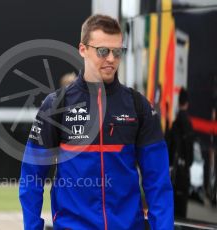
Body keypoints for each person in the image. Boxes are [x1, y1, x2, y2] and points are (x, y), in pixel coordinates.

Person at [19, 14, 173, 229]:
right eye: (103, 51)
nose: (111, 58)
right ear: (83, 49)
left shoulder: (139, 106)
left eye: (117, 52)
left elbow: (158, 183)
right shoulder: (55, 105)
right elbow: (31, 177)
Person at [168, 88, 194, 218]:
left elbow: (169, 148)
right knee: (182, 214)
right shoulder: (189, 125)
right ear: (187, 103)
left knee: (172, 213)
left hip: (174, 174)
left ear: (178, 103)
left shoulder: (174, 124)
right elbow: (191, 156)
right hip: (184, 175)